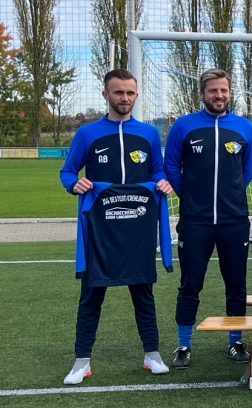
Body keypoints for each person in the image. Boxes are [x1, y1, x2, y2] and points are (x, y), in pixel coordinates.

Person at [59, 69, 174, 384]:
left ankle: (152, 354)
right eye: (119, 92)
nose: (125, 98)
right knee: (92, 294)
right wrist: (74, 184)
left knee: (143, 292)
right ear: (106, 95)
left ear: (136, 95)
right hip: (101, 229)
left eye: (130, 93)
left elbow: (157, 171)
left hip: (137, 227)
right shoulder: (88, 133)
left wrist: (162, 182)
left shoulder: (149, 134)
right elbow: (68, 172)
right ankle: (81, 361)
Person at [164, 68, 252, 368]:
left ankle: (235, 341)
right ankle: (183, 345)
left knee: (236, 282)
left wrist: (231, 195)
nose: (219, 95)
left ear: (230, 93)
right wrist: (190, 195)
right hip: (195, 220)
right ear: (203, 94)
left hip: (234, 219)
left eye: (224, 90)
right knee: (190, 283)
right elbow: (171, 166)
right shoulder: (184, 126)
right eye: (213, 90)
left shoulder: (243, 127)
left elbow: (247, 171)